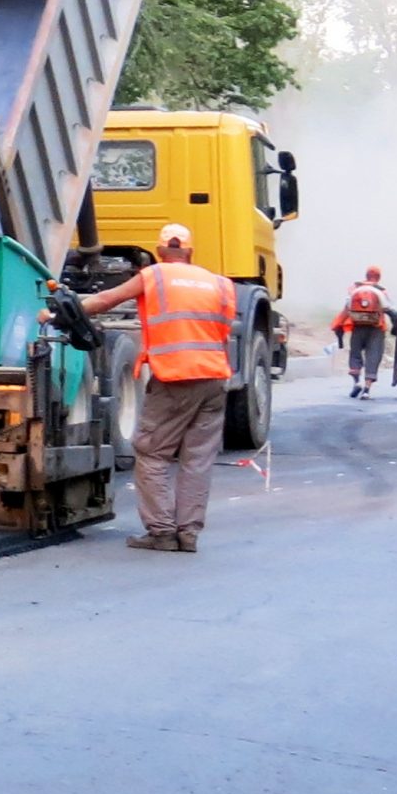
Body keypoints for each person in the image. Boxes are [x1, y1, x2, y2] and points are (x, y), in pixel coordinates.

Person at [73, 221, 239, 554]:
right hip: (213, 379)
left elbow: (107, 299)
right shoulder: (220, 284)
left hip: (174, 379)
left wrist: (56, 310)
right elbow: (222, 331)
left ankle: (162, 531)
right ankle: (188, 534)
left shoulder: (154, 276)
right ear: (190, 252)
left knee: (152, 453)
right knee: (197, 460)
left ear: (160, 251)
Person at [334, 265, 397, 398]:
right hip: (376, 329)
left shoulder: (355, 289)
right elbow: (390, 310)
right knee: (373, 357)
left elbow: (346, 309)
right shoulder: (381, 291)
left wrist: (338, 325)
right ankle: (366, 389)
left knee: (355, 355)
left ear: (366, 275)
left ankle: (357, 382)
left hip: (357, 327)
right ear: (379, 277)